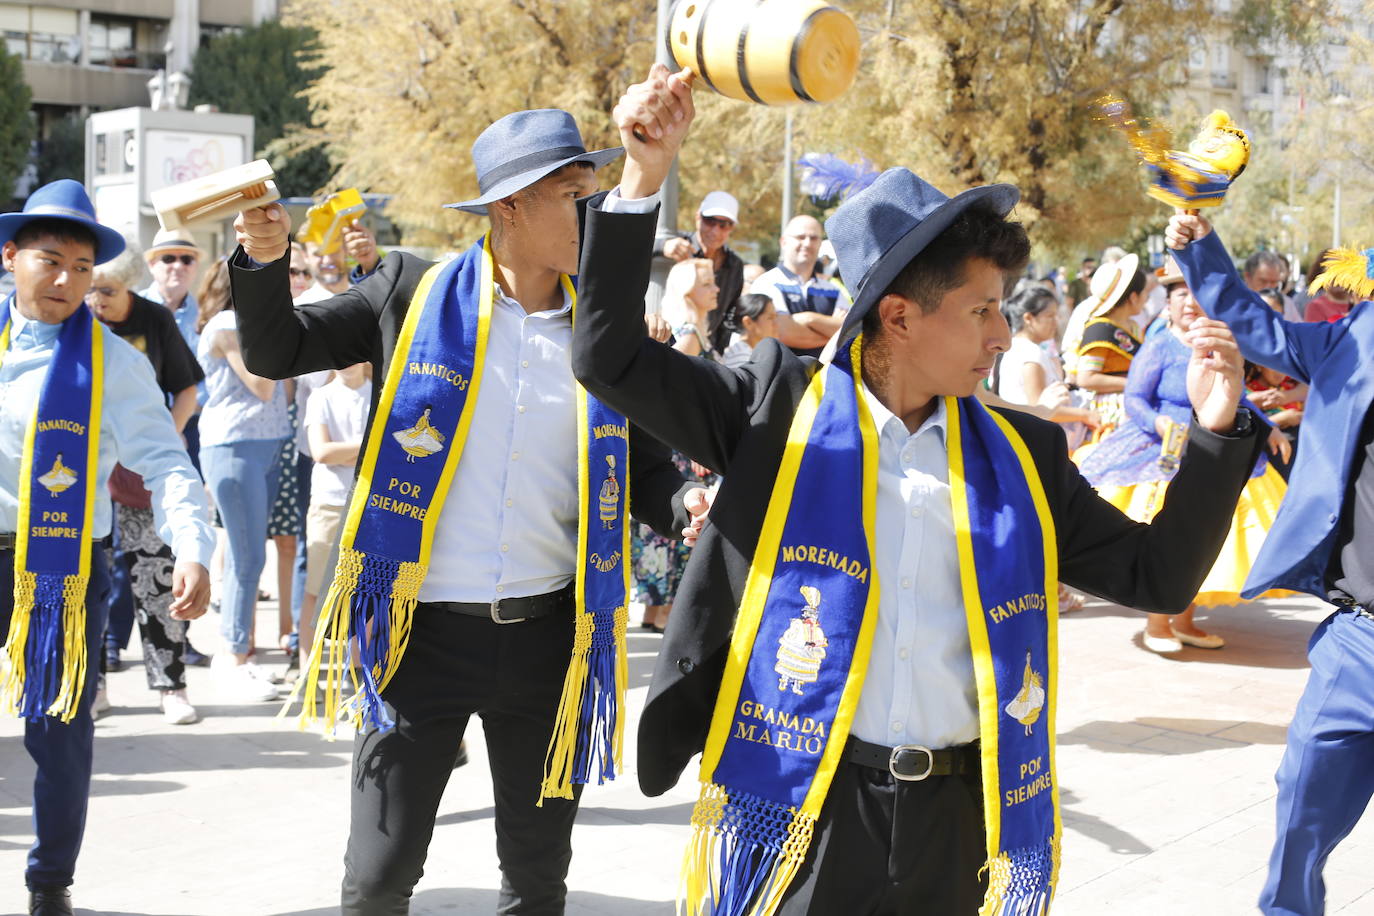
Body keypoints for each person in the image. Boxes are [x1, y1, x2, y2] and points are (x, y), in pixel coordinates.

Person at [574, 66, 1265, 916]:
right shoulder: (774, 412)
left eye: (1002, 310)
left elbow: (1158, 576)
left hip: (960, 822)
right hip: (804, 806)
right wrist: (644, 176)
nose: (1002, 335)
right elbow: (607, 358)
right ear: (899, 316)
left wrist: (1216, 432)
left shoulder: (1025, 456)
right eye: (981, 311)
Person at [230, 105, 702, 915]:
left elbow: (648, 466)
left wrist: (688, 500)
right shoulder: (410, 292)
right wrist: (266, 259)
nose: (592, 213)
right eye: (574, 195)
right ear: (510, 206)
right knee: (378, 878)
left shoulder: (606, 328)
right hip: (418, 638)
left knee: (536, 880)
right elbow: (279, 350)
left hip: (551, 639)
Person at [0, 179, 212, 916]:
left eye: (82, 268)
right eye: (50, 261)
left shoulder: (113, 362)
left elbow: (167, 463)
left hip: (59, 567)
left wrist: (193, 547)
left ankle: (49, 883)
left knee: (58, 727)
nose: (66, 281)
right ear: (11, 256)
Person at [1167, 210, 1374, 916]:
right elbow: (1257, 327)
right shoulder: (1356, 339)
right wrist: (1201, 251)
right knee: (1302, 804)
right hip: (1360, 642)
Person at [1077, 258, 1291, 653]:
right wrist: (1158, 423)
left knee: (1206, 536)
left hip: (1210, 449)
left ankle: (1185, 621)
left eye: (1196, 294)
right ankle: (1157, 624)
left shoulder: (1218, 344)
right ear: (1168, 302)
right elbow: (1135, 399)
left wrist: (1270, 427)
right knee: (1170, 537)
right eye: (1180, 294)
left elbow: (1237, 394)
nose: (1190, 302)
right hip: (1160, 451)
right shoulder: (1159, 345)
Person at [86, 243, 206, 724]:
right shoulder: (77, 323)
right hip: (91, 475)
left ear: (130, 286)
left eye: (107, 291)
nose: (97, 300)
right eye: (91, 290)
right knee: (92, 583)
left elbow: (186, 388)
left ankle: (171, 685)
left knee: (156, 578)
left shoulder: (154, 319)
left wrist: (162, 437)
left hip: (143, 472)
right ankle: (93, 684)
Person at [194, 260, 292, 702]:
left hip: (263, 446)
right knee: (248, 557)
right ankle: (234, 658)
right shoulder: (225, 325)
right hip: (234, 446)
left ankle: (236, 655)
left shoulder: (245, 323)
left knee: (243, 557)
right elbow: (264, 385)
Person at [297, 362, 371, 659]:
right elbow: (322, 452)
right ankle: (308, 662)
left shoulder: (379, 394)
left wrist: (344, 451)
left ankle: (358, 666)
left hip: (367, 502)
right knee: (316, 588)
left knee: (365, 590)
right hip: (329, 502)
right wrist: (366, 447)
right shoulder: (321, 396)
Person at [994, 286, 1096, 446]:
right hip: (1035, 441)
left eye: (1056, 315)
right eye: (1050, 316)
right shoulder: (1030, 353)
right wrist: (1085, 414)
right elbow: (1040, 409)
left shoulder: (1018, 348)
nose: (1056, 322)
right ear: (1029, 318)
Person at [140, 228, 206, 468]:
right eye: (168, 258)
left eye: (187, 259)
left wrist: (180, 417)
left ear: (195, 267)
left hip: (195, 426)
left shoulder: (206, 317)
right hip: (139, 424)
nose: (178, 266)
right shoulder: (131, 311)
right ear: (151, 265)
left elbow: (211, 378)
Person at [750, 215, 851, 357]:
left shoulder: (833, 290)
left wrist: (809, 319)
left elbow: (851, 332)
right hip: (779, 370)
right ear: (783, 242)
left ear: (820, 244)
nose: (807, 243)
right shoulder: (766, 283)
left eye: (814, 238)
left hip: (823, 371)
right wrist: (834, 334)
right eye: (801, 237)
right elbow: (782, 332)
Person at [1073, 257, 1148, 437]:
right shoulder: (1099, 330)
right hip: (1112, 412)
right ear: (1133, 297)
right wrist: (1131, 384)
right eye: (1145, 293)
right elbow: (1086, 378)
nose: (1147, 299)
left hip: (1136, 402)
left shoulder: (1134, 327)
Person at [662, 190, 744, 352]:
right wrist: (661, 246)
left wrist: (717, 352)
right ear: (698, 217)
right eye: (710, 221)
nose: (715, 231)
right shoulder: (677, 245)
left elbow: (730, 315)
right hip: (666, 341)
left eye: (724, 225)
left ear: (732, 227)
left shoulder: (734, 265)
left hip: (706, 347)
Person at [722, 293, 780, 369]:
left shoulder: (753, 353)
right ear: (748, 322)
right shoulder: (741, 358)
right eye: (770, 318)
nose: (776, 324)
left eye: (776, 317)